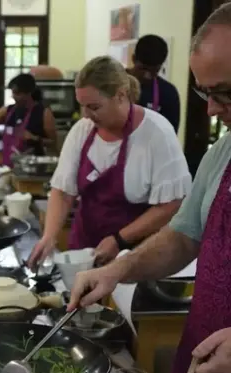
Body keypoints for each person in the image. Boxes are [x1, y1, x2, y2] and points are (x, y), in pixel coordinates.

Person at [67, 5, 231, 373]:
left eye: (224, 93)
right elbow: (183, 236)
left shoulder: (155, 131)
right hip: (201, 353)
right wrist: (118, 269)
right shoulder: (222, 153)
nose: (210, 110)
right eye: (204, 92)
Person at [27, 56, 190, 268]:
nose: (86, 114)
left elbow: (171, 205)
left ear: (121, 95)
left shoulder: (156, 134)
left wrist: (119, 239)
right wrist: (49, 236)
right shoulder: (82, 131)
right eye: (82, 106)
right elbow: (63, 190)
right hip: (85, 249)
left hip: (135, 256)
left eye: (94, 107)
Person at [128, 34, 181, 132]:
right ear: (133, 59)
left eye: (154, 71)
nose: (147, 76)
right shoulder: (113, 83)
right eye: (143, 69)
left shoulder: (168, 93)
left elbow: (169, 135)